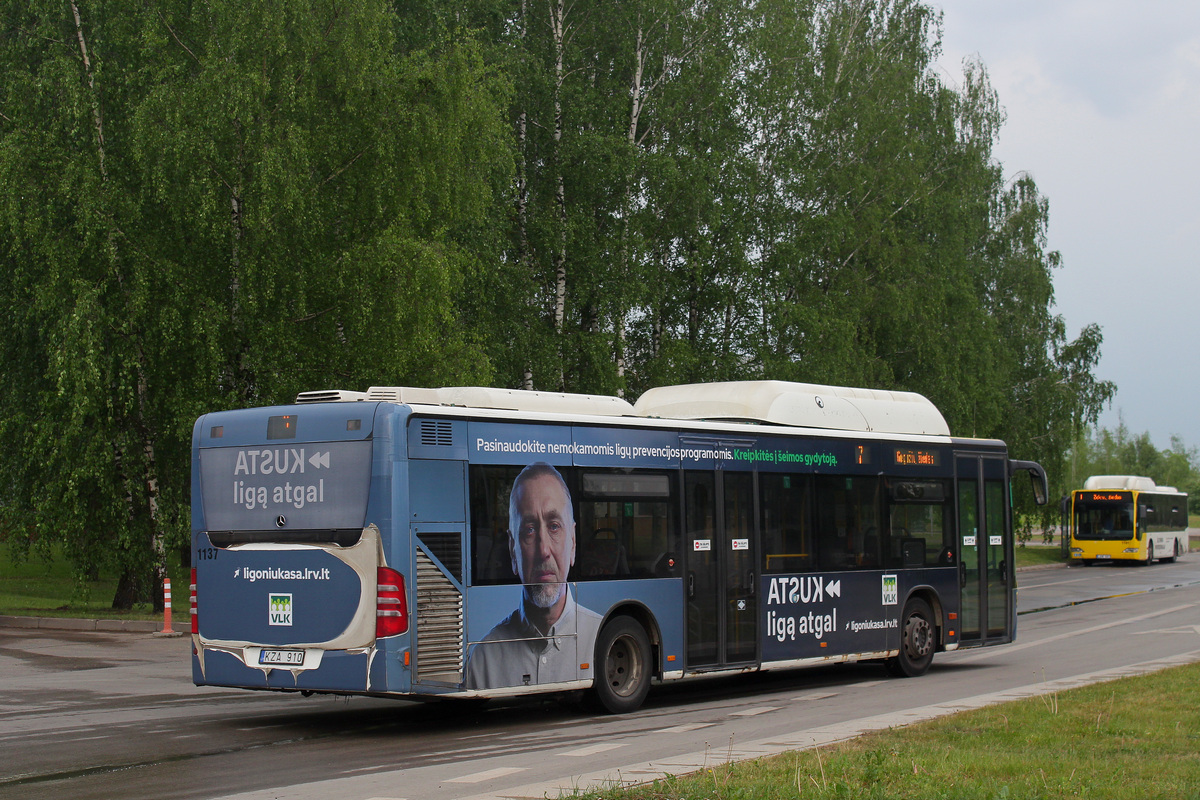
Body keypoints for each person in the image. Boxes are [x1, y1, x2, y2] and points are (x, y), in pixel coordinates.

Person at [464, 463, 602, 690]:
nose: (544, 550)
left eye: (554, 526)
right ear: (512, 550)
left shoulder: (598, 638)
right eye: (529, 529)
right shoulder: (482, 662)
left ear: (573, 543)